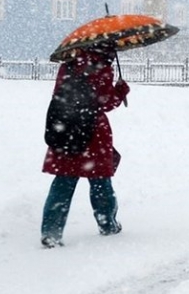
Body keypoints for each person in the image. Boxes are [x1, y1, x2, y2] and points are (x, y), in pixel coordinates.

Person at [40, 49, 130, 248]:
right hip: (92, 132)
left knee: (63, 182)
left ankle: (51, 232)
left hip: (66, 127)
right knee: (100, 181)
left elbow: (59, 94)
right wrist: (120, 91)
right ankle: (108, 224)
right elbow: (105, 102)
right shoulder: (101, 66)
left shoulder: (69, 63)